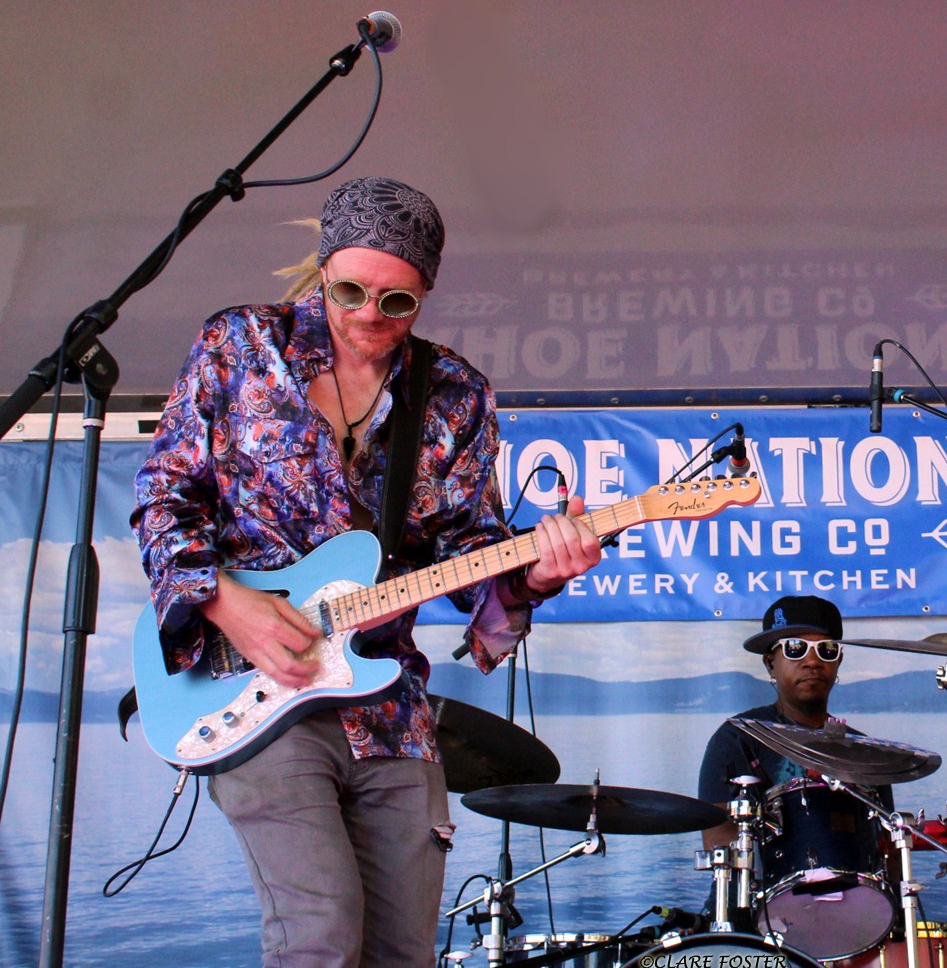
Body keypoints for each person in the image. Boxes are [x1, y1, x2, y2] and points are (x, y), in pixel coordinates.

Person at [132, 176, 603, 967]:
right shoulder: (240, 346)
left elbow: (469, 552)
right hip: (255, 685)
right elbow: (163, 496)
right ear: (322, 269)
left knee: (402, 951)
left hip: (389, 704)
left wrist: (537, 574)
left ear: (425, 295)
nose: (368, 316)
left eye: (397, 302)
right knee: (318, 935)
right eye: (350, 291)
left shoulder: (454, 393)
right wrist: (222, 602)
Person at [697, 596, 895, 945]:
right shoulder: (737, 738)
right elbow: (719, 843)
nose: (812, 661)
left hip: (851, 917)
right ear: (770, 663)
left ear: (838, 661)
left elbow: (884, 849)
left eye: (826, 650)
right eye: (795, 649)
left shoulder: (864, 752)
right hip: (750, 921)